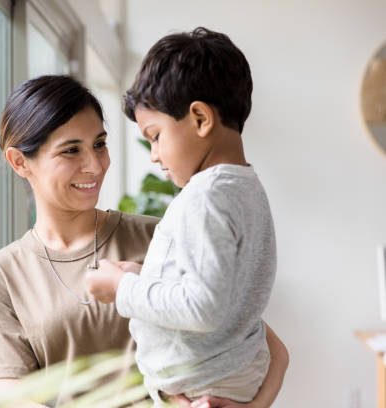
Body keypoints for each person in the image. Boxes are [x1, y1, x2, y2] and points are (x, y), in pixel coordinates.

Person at [0, 75, 288, 408]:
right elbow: (11, 399)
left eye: (99, 144)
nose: (94, 165)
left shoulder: (158, 236)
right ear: (20, 162)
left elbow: (269, 348)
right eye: (71, 151)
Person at [86, 28, 280, 407]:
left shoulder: (204, 197)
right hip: (226, 376)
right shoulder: (245, 188)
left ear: (200, 118)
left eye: (155, 136)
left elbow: (203, 307)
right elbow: (220, 286)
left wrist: (122, 289)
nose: (154, 154)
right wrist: (143, 277)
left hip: (202, 386)